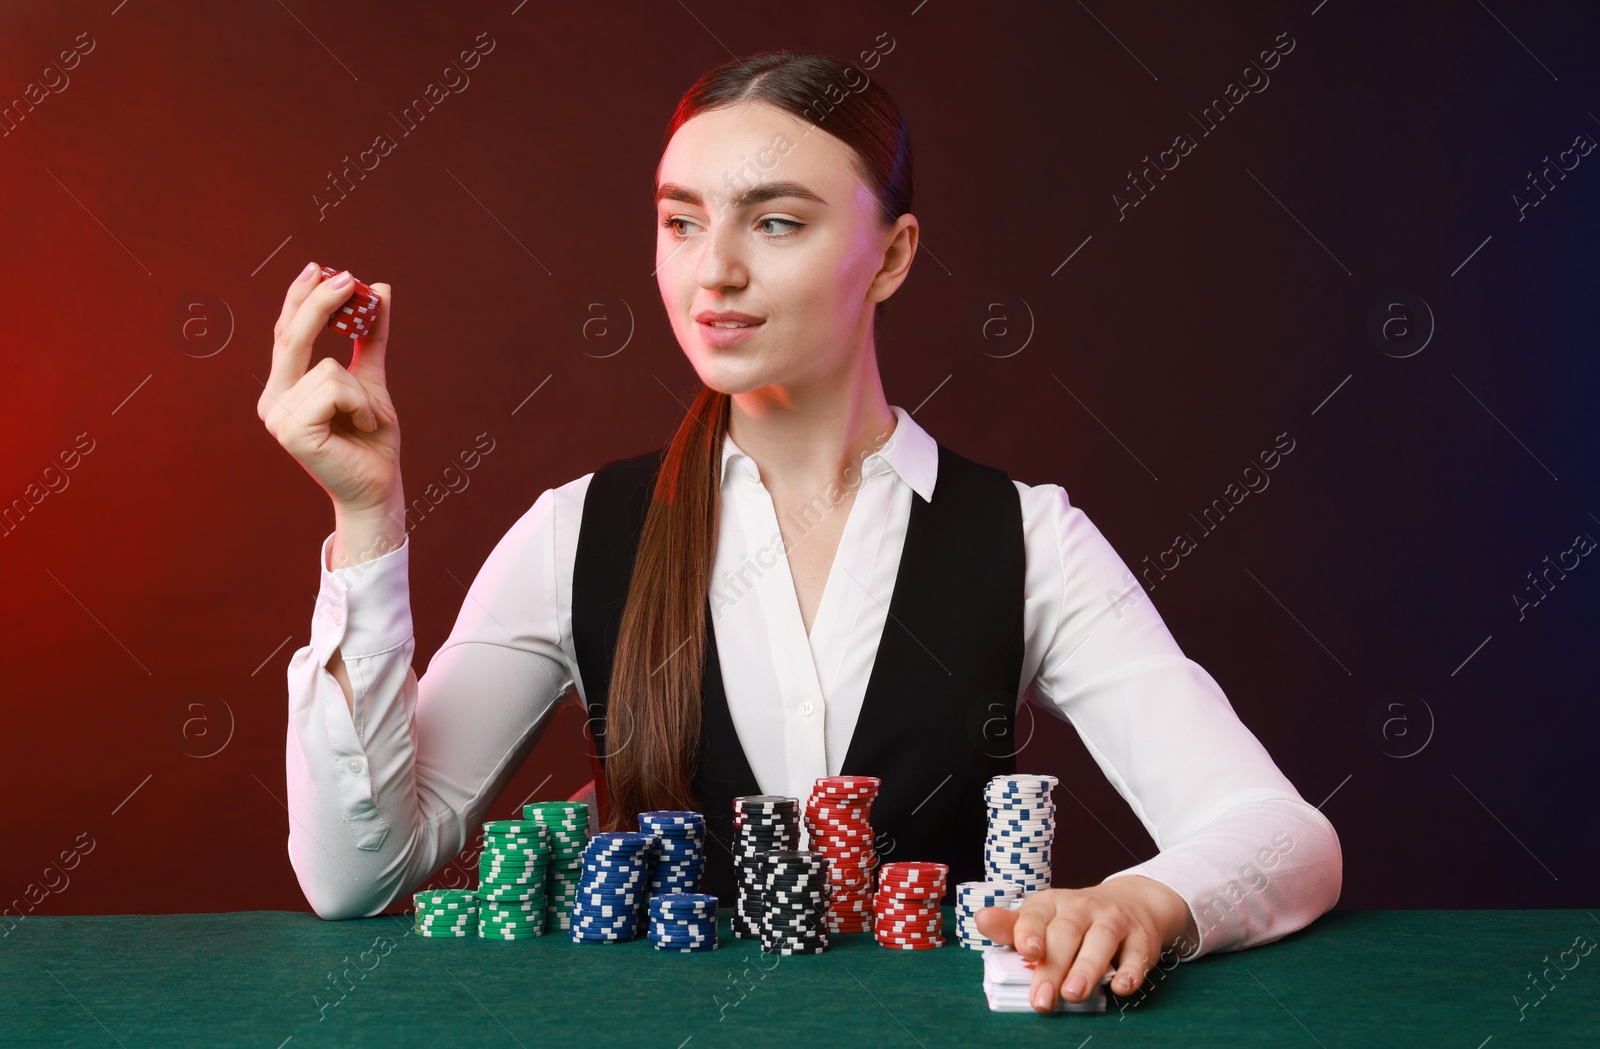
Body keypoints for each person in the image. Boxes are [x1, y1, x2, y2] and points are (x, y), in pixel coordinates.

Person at [258, 49, 1341, 1013]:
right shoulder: (573, 533)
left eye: (776, 222)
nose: (712, 271)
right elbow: (360, 875)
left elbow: (1284, 837)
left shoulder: (1028, 538)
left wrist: (1150, 900)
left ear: (892, 255)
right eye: (681, 220)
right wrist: (367, 516)